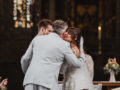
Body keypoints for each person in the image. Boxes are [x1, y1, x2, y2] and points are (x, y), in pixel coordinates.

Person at [21, 20, 86, 90]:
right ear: (63, 32)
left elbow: (25, 59)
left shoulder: (37, 39)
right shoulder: (64, 45)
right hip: (47, 82)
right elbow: (77, 64)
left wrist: (28, 73)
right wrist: (82, 52)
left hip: (29, 80)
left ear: (52, 28)